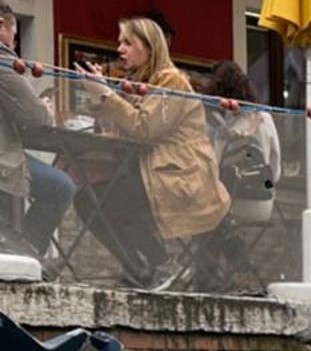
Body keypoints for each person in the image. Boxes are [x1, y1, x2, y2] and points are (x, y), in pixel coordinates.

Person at [71, 17, 230, 289]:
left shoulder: (171, 80)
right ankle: (143, 269)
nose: (120, 49)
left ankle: (159, 266)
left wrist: (106, 94)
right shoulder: (150, 82)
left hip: (181, 179)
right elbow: (129, 125)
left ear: (150, 49)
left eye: (128, 43)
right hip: (159, 175)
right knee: (92, 200)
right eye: (120, 42)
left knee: (99, 200)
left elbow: (144, 128)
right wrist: (103, 94)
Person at [0, 0, 75, 258]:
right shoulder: (1, 58)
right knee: (60, 186)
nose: (13, 43)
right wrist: (45, 109)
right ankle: (26, 256)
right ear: (2, 26)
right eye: (14, 36)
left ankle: (20, 251)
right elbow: (37, 118)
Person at [202, 61, 281, 222]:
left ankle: (212, 246)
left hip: (228, 203)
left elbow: (213, 169)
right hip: (263, 201)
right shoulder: (265, 118)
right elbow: (275, 166)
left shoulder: (220, 128)